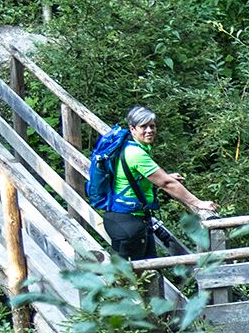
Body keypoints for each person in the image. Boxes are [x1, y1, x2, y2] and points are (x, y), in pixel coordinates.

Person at [91, 105, 218, 263]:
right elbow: (167, 184)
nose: (149, 130)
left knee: (148, 274)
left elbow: (132, 176)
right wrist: (198, 203)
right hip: (128, 223)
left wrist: (165, 177)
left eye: (152, 126)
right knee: (131, 279)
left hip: (126, 220)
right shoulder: (136, 154)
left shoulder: (128, 147)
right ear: (132, 128)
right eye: (143, 126)